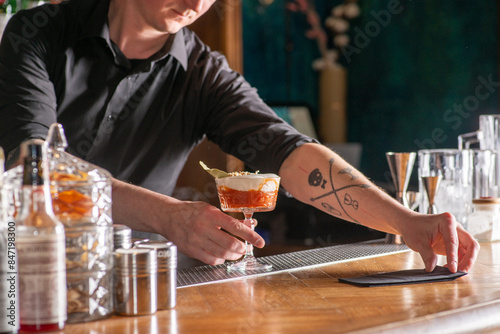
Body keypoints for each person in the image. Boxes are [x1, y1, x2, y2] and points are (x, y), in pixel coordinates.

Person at [0, 0, 478, 272]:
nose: (194, 5)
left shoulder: (205, 73)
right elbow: (31, 167)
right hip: (24, 270)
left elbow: (291, 153)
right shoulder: (38, 34)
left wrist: (407, 222)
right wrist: (169, 217)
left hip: (137, 278)